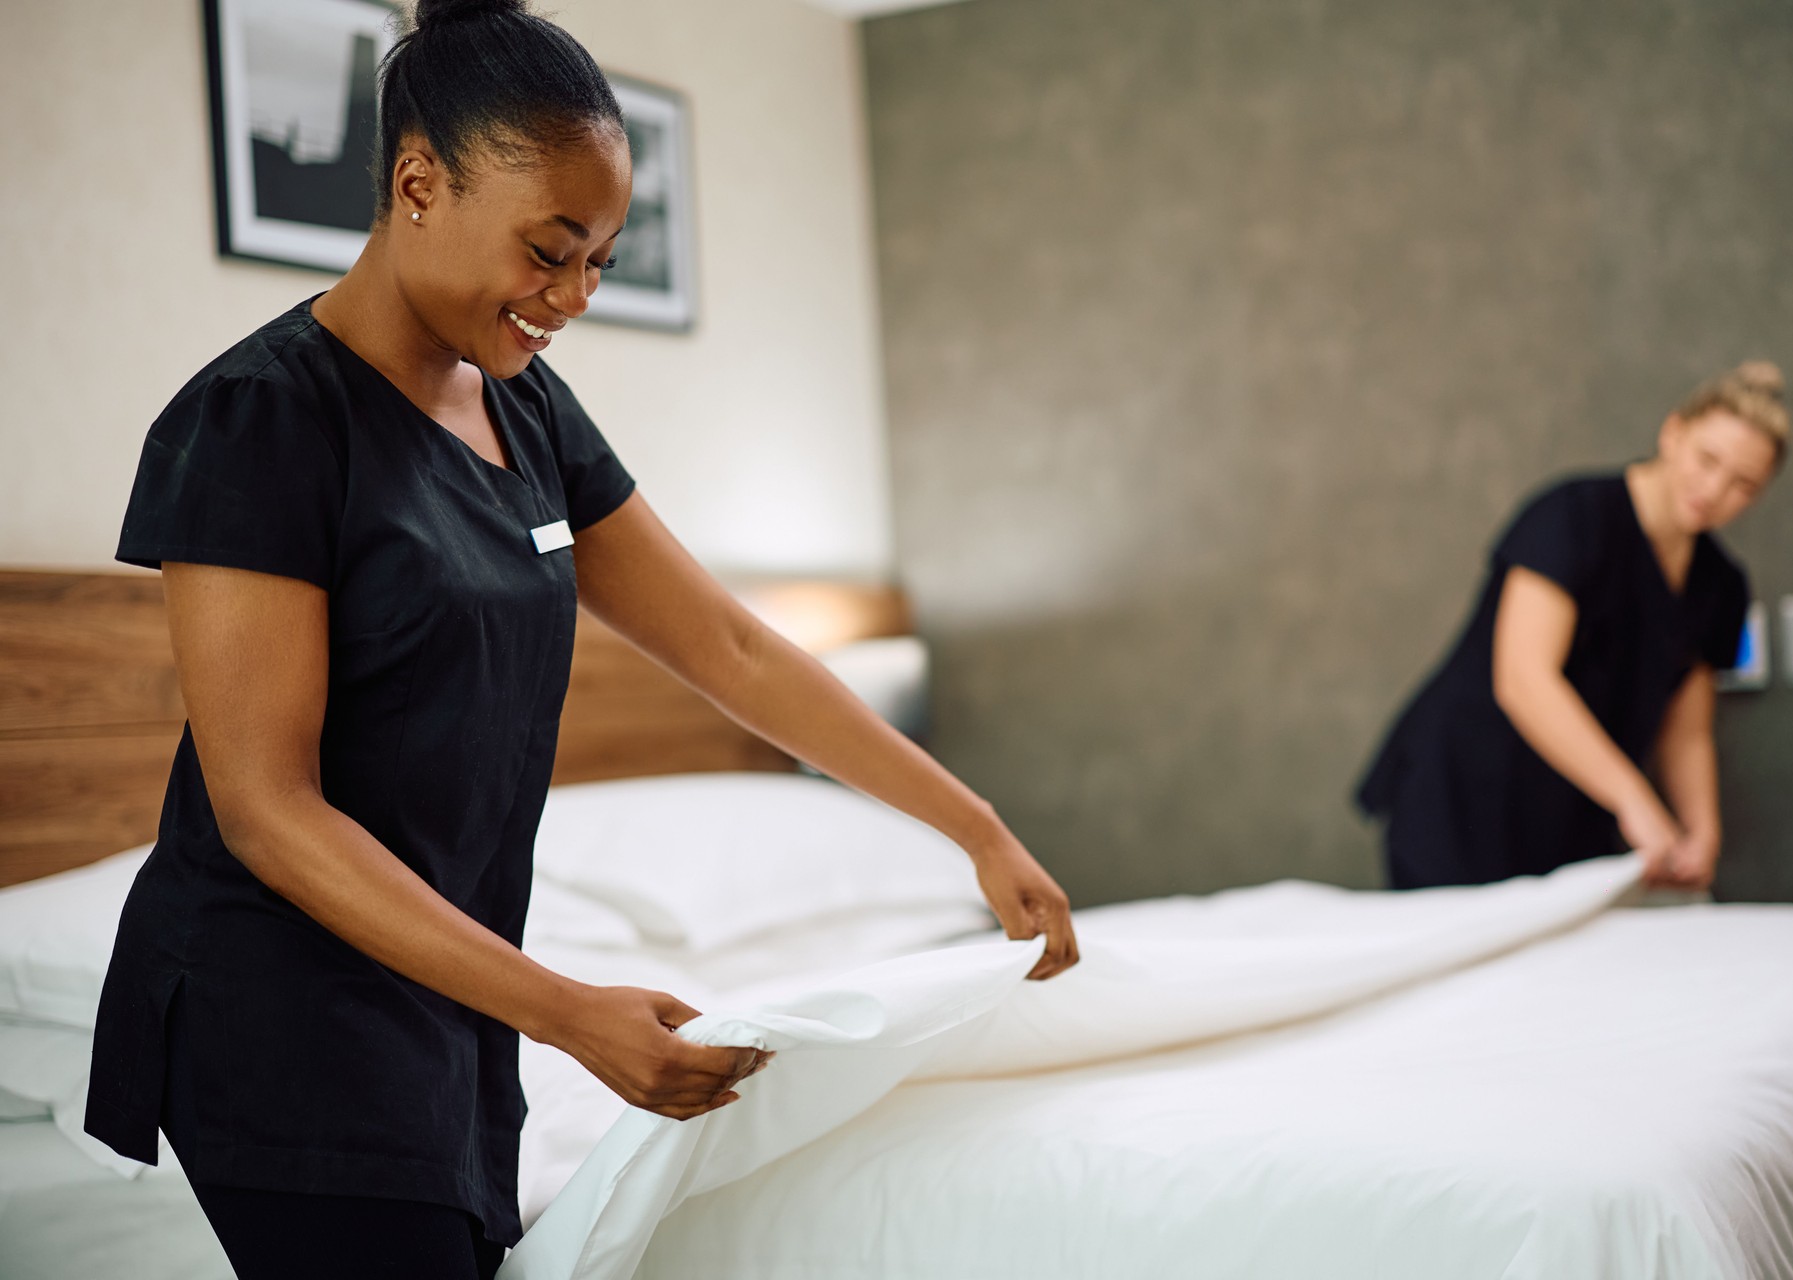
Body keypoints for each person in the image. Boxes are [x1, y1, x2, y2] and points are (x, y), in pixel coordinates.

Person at [83, 2, 1078, 1275]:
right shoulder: (261, 421)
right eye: (549, 251)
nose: (570, 298)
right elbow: (267, 809)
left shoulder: (527, 406)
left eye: (600, 260)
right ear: (417, 184)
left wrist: (974, 827)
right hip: (280, 1005)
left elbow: (732, 648)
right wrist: (566, 1011)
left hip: (452, 991)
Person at [1355, 361, 1789, 893]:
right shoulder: (1572, 516)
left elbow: (1688, 731)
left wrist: (1702, 830)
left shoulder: (1720, 584)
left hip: (1572, 810)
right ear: (1673, 433)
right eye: (1707, 460)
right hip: (1463, 792)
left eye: (1742, 484)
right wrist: (1634, 801)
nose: (1714, 488)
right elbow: (1524, 679)